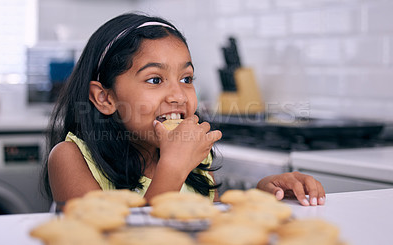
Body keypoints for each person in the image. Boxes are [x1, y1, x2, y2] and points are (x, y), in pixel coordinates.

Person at [43, 13, 325, 207]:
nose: (178, 95)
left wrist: (260, 198)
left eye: (186, 79)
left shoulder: (195, 158)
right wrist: (173, 167)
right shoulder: (71, 158)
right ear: (104, 98)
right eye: (155, 80)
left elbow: (203, 226)